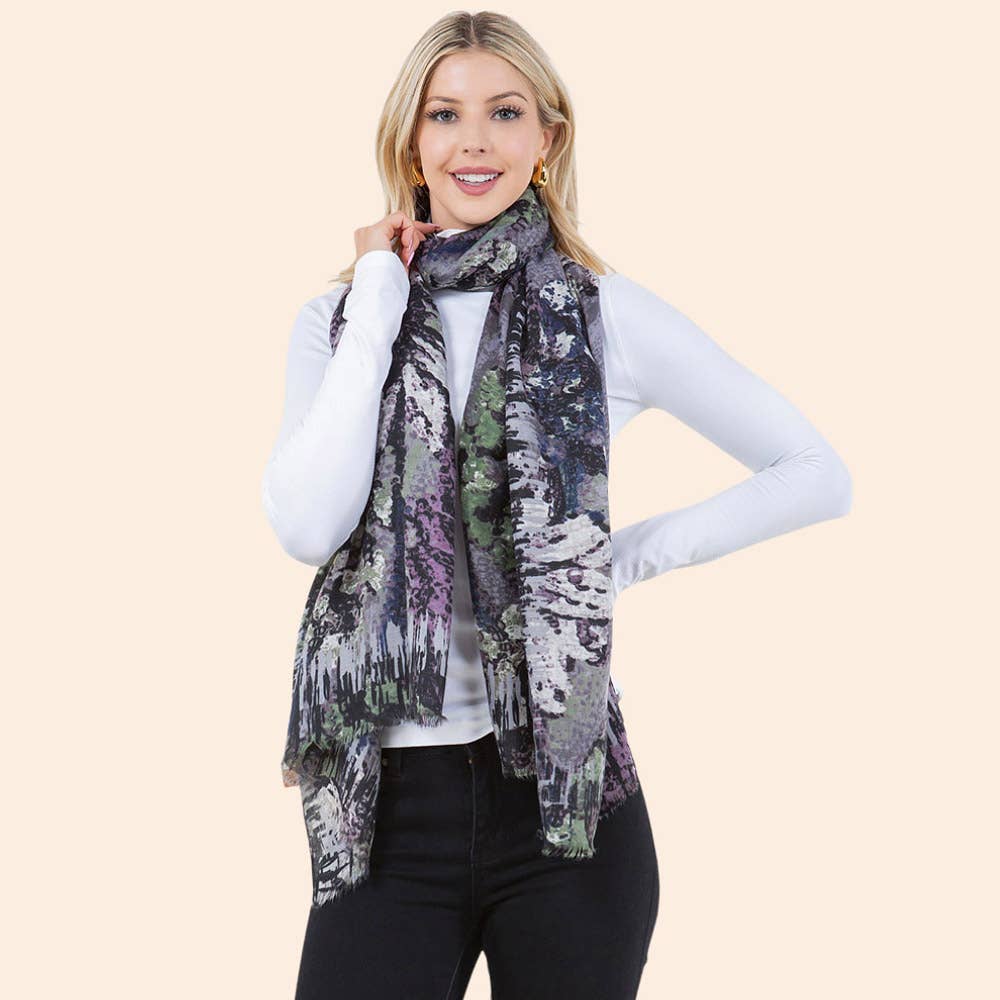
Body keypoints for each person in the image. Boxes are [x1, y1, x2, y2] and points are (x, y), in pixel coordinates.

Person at [260, 12, 853, 1000]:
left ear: (548, 137)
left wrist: (611, 561)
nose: (474, 141)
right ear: (409, 139)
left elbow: (814, 469)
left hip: (566, 807)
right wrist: (377, 294)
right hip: (389, 813)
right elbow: (307, 525)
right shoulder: (338, 319)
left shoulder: (603, 312)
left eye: (505, 113)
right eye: (444, 114)